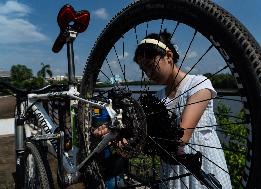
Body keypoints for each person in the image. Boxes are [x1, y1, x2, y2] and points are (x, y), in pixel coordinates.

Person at [94, 29, 232, 189]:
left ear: (168, 55)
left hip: (203, 166)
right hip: (172, 172)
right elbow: (142, 133)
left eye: (150, 66)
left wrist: (139, 135)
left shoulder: (199, 84)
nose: (148, 74)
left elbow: (181, 137)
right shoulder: (158, 97)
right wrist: (119, 132)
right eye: (143, 70)